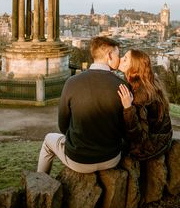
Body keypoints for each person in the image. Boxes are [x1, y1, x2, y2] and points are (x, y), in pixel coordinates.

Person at [37, 36, 126, 174]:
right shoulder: (122, 85)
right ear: (109, 55)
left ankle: (40, 182)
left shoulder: (72, 82)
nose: (119, 59)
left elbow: (63, 125)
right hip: (111, 158)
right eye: (117, 55)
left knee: (49, 140)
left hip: (79, 160)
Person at [118, 49, 172, 161]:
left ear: (134, 68)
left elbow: (138, 137)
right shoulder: (149, 81)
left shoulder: (139, 95)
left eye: (125, 59)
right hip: (163, 140)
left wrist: (128, 108)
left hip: (150, 148)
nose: (120, 59)